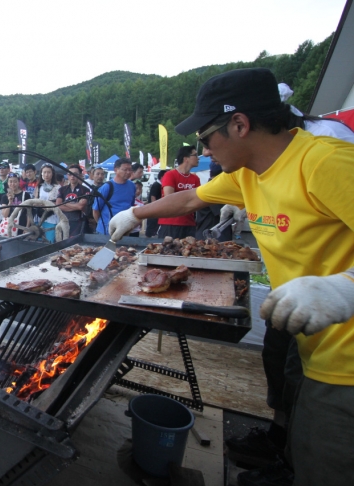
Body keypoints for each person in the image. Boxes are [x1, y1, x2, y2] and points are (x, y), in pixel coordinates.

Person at [108, 67, 354, 486]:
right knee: (298, 430)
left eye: (205, 138)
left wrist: (345, 288)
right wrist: (135, 213)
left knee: (327, 460)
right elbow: (190, 196)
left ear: (239, 124)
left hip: (347, 360)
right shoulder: (249, 173)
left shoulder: (325, 162)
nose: (202, 149)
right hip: (313, 339)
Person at [156, 146, 201, 239]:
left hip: (189, 223)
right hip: (170, 223)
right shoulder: (170, 175)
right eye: (195, 155)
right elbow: (169, 198)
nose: (198, 158)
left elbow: (198, 200)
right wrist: (189, 200)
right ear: (186, 158)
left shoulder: (195, 178)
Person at [93, 158, 134, 236]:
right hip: (106, 231)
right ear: (116, 170)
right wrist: (102, 224)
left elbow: (130, 206)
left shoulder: (132, 186)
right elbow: (95, 210)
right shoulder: (106, 187)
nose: (128, 172)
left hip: (124, 230)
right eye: (125, 169)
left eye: (130, 170)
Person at [195, 159, 233, 241]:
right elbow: (224, 214)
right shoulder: (214, 190)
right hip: (212, 238)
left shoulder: (206, 188)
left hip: (207, 235)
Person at [57, 164, 90, 236]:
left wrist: (65, 203)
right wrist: (75, 206)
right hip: (64, 221)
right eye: (70, 174)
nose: (72, 176)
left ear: (80, 175)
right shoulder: (62, 189)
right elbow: (58, 205)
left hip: (78, 222)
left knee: (76, 245)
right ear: (67, 175)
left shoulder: (85, 190)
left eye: (75, 174)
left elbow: (80, 207)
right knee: (63, 244)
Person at [35, 164, 61, 242]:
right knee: (38, 240)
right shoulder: (39, 187)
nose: (46, 175)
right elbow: (35, 201)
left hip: (52, 218)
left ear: (52, 174)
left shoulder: (57, 187)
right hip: (39, 218)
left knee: (50, 241)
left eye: (48, 172)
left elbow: (58, 202)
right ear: (41, 174)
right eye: (44, 172)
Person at [144, 169, 167, 238]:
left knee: (156, 226)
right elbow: (153, 196)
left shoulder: (161, 185)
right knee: (152, 226)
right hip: (154, 210)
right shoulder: (156, 185)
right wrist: (155, 207)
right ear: (162, 177)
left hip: (158, 209)